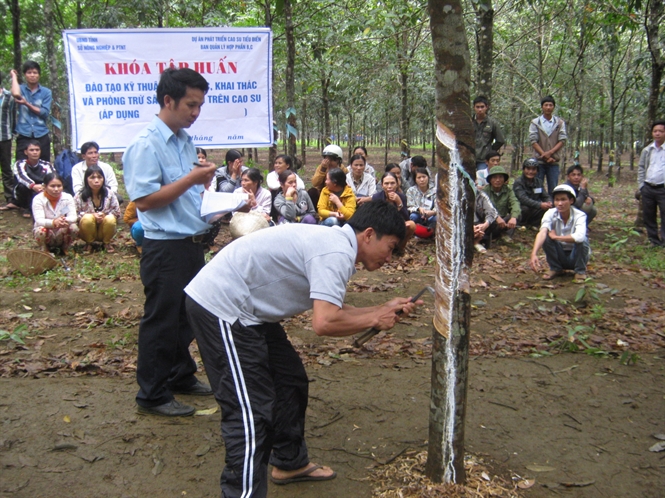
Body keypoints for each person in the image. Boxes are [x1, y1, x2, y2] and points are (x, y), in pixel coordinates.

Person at [183, 201, 422, 498]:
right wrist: (375, 317)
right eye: (391, 247)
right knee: (250, 412)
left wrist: (380, 309)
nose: (391, 257)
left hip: (250, 310)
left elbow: (330, 305)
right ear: (369, 234)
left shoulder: (335, 244)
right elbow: (324, 322)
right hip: (222, 305)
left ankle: (289, 461)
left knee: (289, 380)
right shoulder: (335, 251)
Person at [122, 67, 217, 417]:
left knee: (187, 316)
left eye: (200, 106)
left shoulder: (184, 141)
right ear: (168, 100)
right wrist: (192, 177)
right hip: (165, 247)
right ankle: (152, 393)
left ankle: (179, 374)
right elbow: (145, 200)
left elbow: (185, 191)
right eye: (191, 105)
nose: (195, 112)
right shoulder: (146, 145)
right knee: (162, 320)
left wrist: (205, 188)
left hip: (191, 242)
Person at [529, 184, 590, 283]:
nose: (560, 203)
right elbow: (542, 232)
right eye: (556, 200)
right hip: (559, 253)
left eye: (563, 199)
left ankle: (580, 271)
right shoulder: (550, 213)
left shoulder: (580, 215)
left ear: (571, 200)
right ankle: (555, 268)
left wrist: (556, 237)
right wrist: (534, 253)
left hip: (575, 255)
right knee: (546, 238)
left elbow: (579, 237)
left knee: (584, 240)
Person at [10, 61, 52, 162]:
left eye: (35, 72)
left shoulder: (46, 92)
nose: (32, 75)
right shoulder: (21, 89)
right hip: (24, 134)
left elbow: (44, 113)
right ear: (25, 75)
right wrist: (14, 76)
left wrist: (26, 104)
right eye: (29, 72)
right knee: (21, 164)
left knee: (44, 166)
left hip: (41, 133)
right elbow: (15, 94)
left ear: (39, 75)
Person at [75, 165, 121, 253]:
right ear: (86, 180)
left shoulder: (110, 193)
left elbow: (117, 212)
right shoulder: (79, 196)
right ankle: (89, 243)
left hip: (104, 228)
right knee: (87, 218)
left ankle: (106, 242)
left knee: (110, 218)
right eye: (92, 177)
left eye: (99, 177)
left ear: (103, 179)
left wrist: (104, 216)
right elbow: (74, 215)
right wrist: (92, 216)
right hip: (86, 230)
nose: (96, 181)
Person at [529, 95, 567, 197]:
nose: (548, 107)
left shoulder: (559, 123)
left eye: (551, 105)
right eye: (546, 105)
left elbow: (562, 140)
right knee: (537, 187)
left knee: (553, 187)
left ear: (554, 107)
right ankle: (538, 209)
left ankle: (553, 208)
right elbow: (533, 140)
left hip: (554, 161)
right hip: (538, 161)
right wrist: (544, 155)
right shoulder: (535, 122)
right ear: (542, 107)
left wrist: (550, 153)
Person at [31, 172, 78, 255]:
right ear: (45, 187)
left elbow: (73, 216)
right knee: (40, 230)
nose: (56, 189)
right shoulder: (38, 199)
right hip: (47, 230)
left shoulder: (67, 198)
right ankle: (44, 248)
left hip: (62, 228)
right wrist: (53, 222)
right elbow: (39, 220)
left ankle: (67, 247)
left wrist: (63, 220)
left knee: (74, 227)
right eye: (52, 186)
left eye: (59, 186)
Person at [637, 120, 665, 247]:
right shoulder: (647, 150)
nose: (657, 134)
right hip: (648, 187)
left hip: (662, 188)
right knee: (649, 216)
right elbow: (641, 167)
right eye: (655, 131)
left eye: (661, 131)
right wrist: (641, 186)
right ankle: (654, 240)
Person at [372, 172, 416, 252]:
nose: (389, 186)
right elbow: (375, 218)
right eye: (386, 183)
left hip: (397, 225)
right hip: (382, 227)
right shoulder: (377, 197)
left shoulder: (401, 197)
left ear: (397, 184)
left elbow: (406, 217)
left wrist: (399, 202)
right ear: (382, 185)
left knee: (411, 224)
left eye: (392, 183)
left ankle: (399, 248)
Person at [12, 140, 54, 218]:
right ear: (26, 152)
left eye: (37, 150)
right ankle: (26, 208)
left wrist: (43, 186)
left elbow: (52, 177)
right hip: (28, 189)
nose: (35, 152)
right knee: (21, 186)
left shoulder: (47, 164)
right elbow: (21, 176)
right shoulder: (19, 163)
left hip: (42, 189)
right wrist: (32, 185)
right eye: (31, 150)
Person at [483, 165, 520, 239]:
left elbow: (514, 202)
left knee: (517, 214)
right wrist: (496, 217)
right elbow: (486, 208)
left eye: (500, 177)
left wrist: (513, 217)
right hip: (490, 220)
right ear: (490, 180)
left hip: (504, 219)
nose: (498, 180)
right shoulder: (485, 191)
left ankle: (506, 234)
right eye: (495, 177)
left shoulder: (508, 190)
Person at [513, 158, 552, 228]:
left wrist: (549, 202)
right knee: (525, 209)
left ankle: (534, 224)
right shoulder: (518, 182)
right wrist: (540, 204)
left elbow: (545, 195)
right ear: (524, 169)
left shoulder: (538, 182)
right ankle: (521, 224)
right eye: (528, 169)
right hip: (521, 208)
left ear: (537, 171)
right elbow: (523, 199)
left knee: (547, 208)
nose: (530, 172)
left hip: (534, 208)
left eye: (533, 169)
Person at [472, 96, 505, 173]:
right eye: (477, 107)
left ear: (486, 107)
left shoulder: (492, 123)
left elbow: (500, 140)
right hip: (470, 158)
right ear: (474, 107)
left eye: (482, 107)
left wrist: (490, 152)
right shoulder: (469, 122)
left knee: (483, 179)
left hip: (483, 160)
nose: (480, 109)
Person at [0, 70, 17, 210]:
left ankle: (10, 198)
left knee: (6, 167)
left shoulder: (8, 96)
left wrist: (12, 132)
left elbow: (12, 115)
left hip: (4, 136)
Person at [406, 167, 436, 231]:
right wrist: (418, 209)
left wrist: (432, 212)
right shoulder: (411, 191)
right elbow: (409, 206)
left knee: (436, 219)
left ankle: (432, 232)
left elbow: (438, 206)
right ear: (415, 179)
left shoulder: (434, 191)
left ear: (428, 177)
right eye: (419, 178)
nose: (422, 180)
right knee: (413, 217)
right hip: (418, 215)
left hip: (431, 215)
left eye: (424, 177)